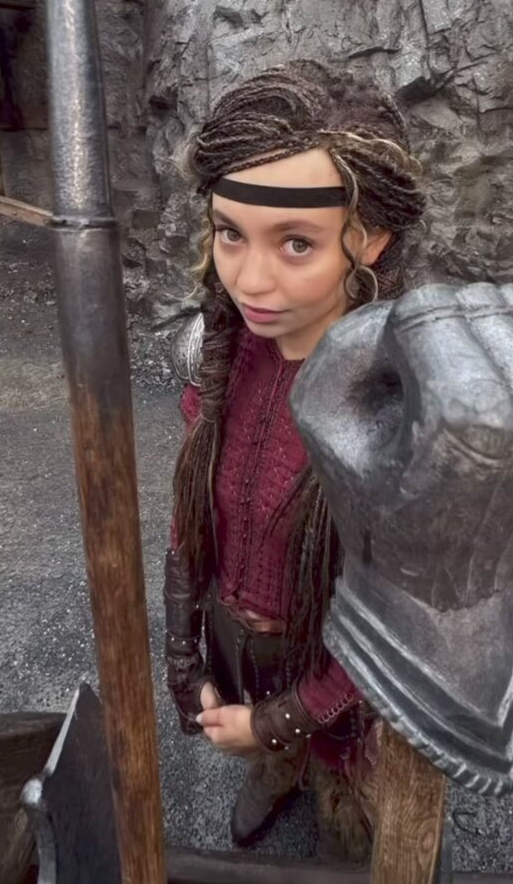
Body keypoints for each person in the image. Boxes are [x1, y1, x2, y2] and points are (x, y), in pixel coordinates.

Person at [164, 59, 426, 861]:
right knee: (262, 742)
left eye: (296, 243)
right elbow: (189, 518)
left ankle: (335, 806)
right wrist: (183, 654)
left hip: (337, 668)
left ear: (369, 238)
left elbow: (394, 625)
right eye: (230, 233)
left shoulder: (400, 412)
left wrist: (278, 719)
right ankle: (276, 770)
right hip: (236, 636)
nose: (249, 278)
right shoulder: (218, 357)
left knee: (354, 816)